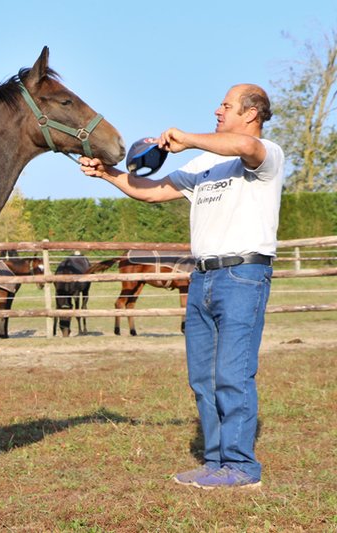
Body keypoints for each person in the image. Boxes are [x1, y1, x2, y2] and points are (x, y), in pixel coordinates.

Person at [79, 84, 284, 490]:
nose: (217, 110)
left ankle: (242, 467)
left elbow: (246, 146)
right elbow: (153, 191)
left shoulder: (267, 155)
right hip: (202, 276)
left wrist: (187, 138)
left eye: (226, 105)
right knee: (203, 378)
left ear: (251, 113)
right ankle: (215, 462)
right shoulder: (205, 163)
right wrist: (107, 174)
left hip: (242, 277)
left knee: (233, 374)